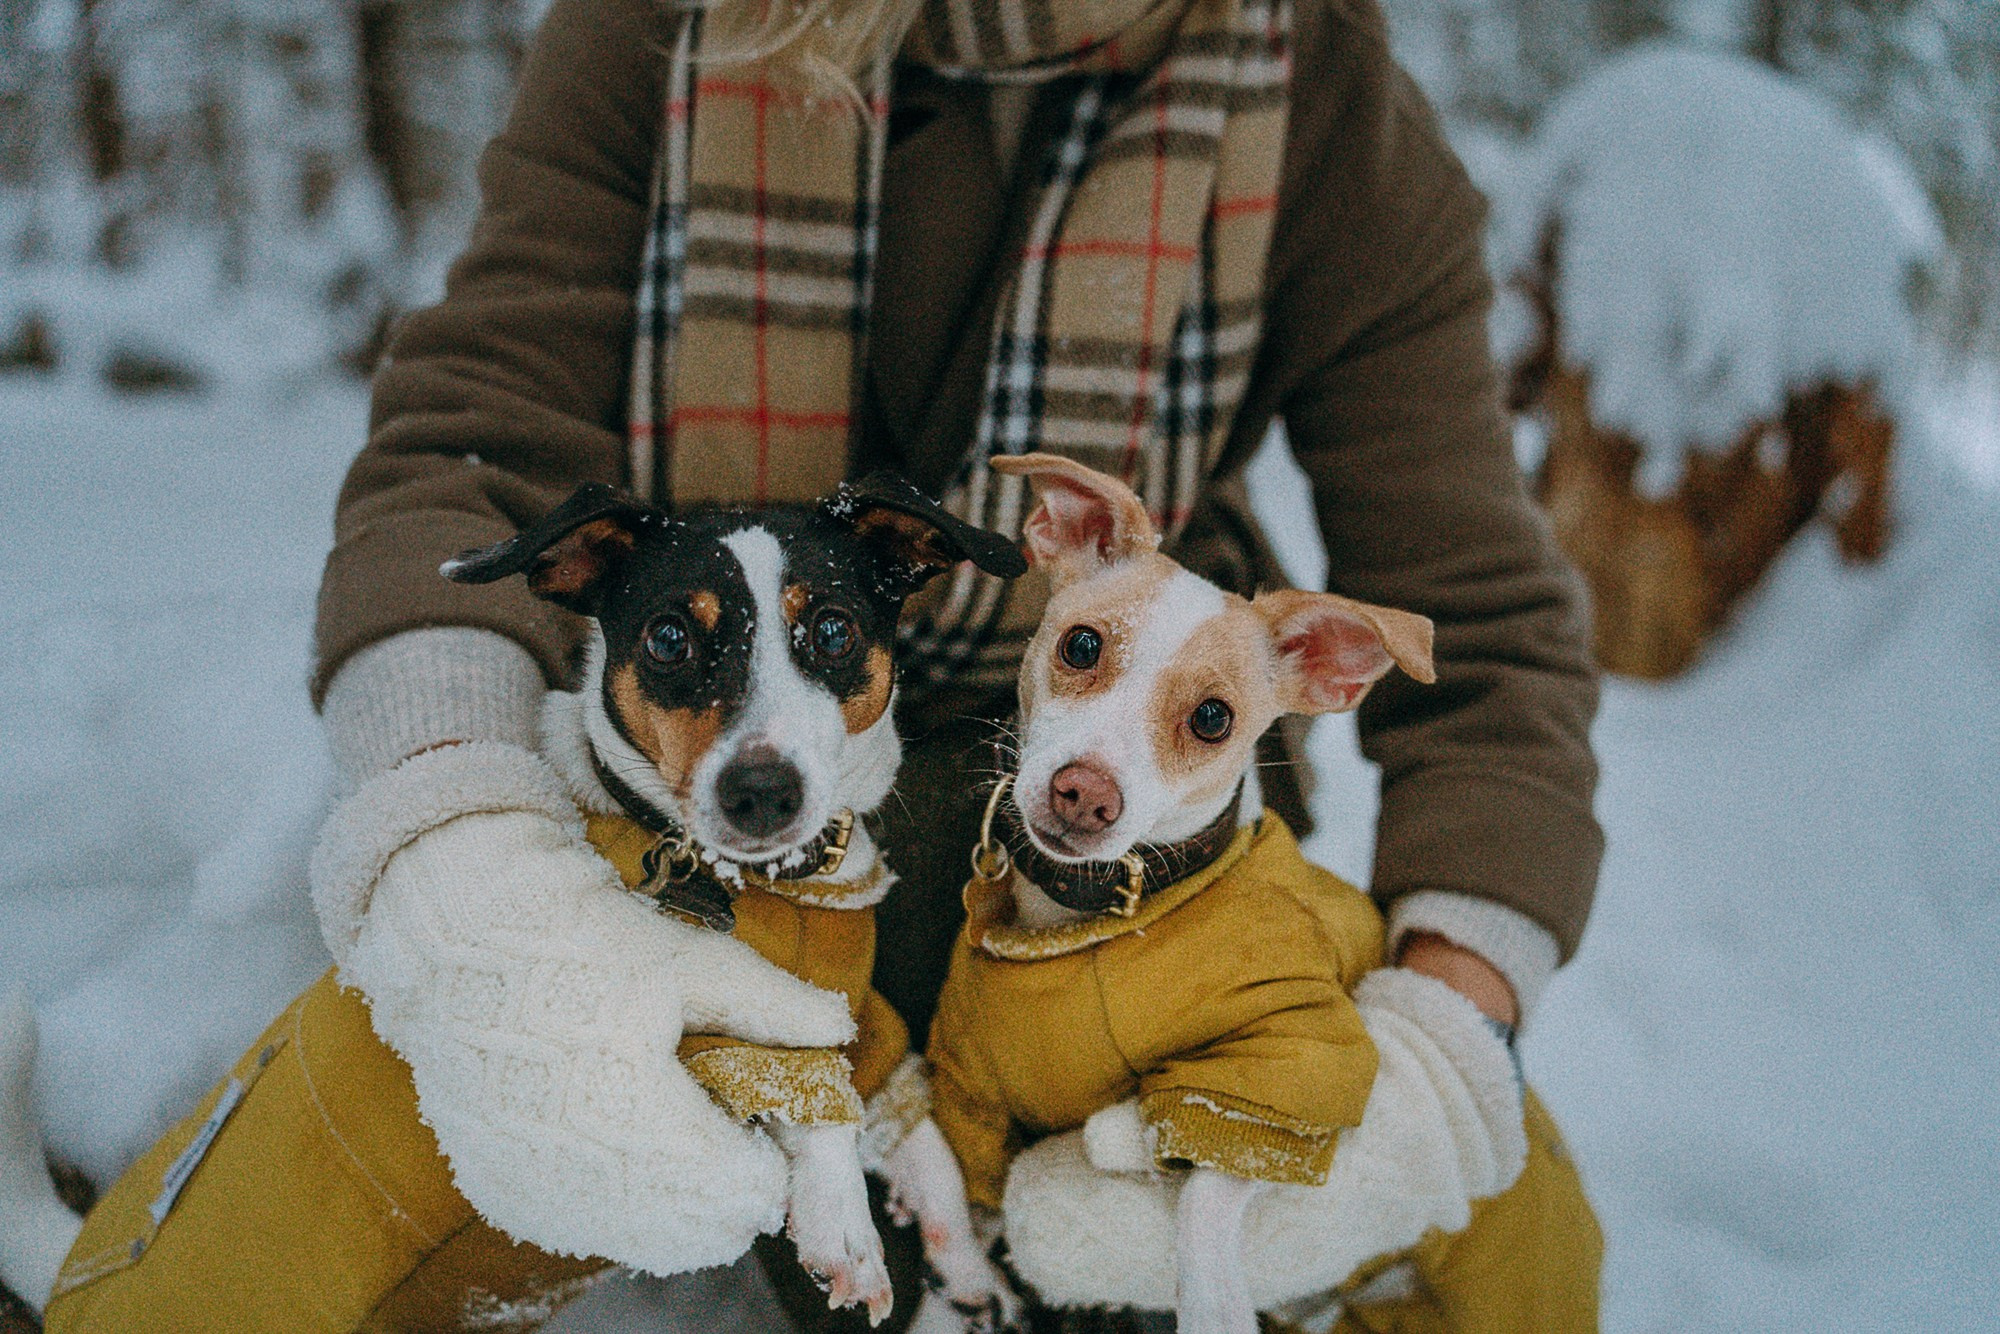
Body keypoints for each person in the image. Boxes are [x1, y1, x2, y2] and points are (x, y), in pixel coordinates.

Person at [38, 0, 1605, 1329]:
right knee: (420, 1077)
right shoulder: (667, 25)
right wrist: (457, 848)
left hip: (1114, 849)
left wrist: (1447, 1032)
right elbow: (474, 449)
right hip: (716, 779)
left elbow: (1477, 621)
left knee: (1496, 1188)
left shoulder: (1311, 86)